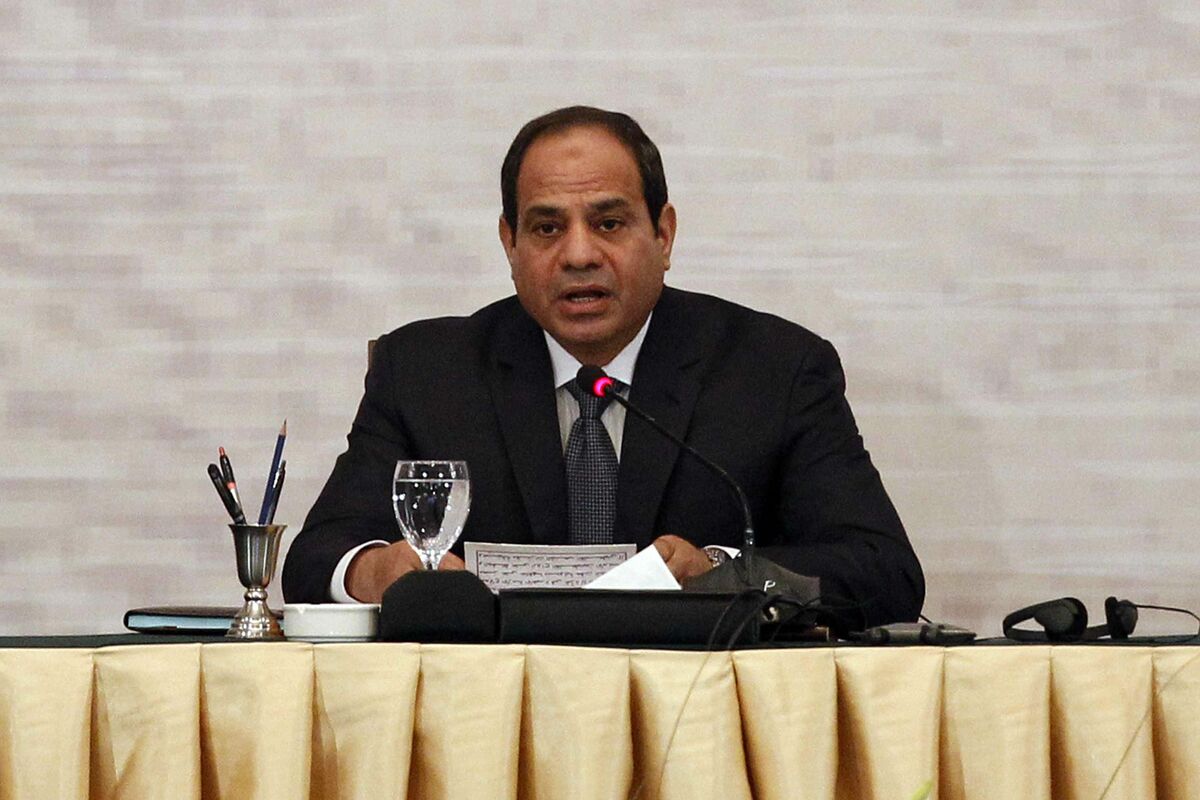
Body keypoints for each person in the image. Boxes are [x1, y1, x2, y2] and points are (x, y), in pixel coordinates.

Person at [281, 106, 924, 628]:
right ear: (509, 243)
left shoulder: (773, 369)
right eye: (546, 229)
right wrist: (379, 571)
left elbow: (883, 571)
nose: (579, 255)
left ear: (663, 235)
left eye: (609, 223)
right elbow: (316, 560)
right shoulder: (427, 371)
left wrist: (719, 572)